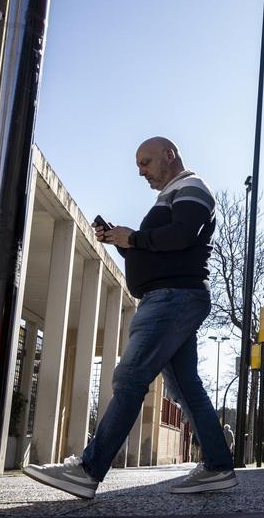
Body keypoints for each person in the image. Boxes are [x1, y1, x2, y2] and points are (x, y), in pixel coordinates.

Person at [24, 137, 237, 498]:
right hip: (172, 296)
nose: (142, 171)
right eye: (139, 165)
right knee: (185, 388)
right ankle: (217, 466)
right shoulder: (170, 195)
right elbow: (161, 249)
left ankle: (88, 470)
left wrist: (135, 239)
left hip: (173, 298)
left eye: (146, 162)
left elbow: (182, 235)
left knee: (130, 376)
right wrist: (123, 242)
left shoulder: (191, 187)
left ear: (169, 155)